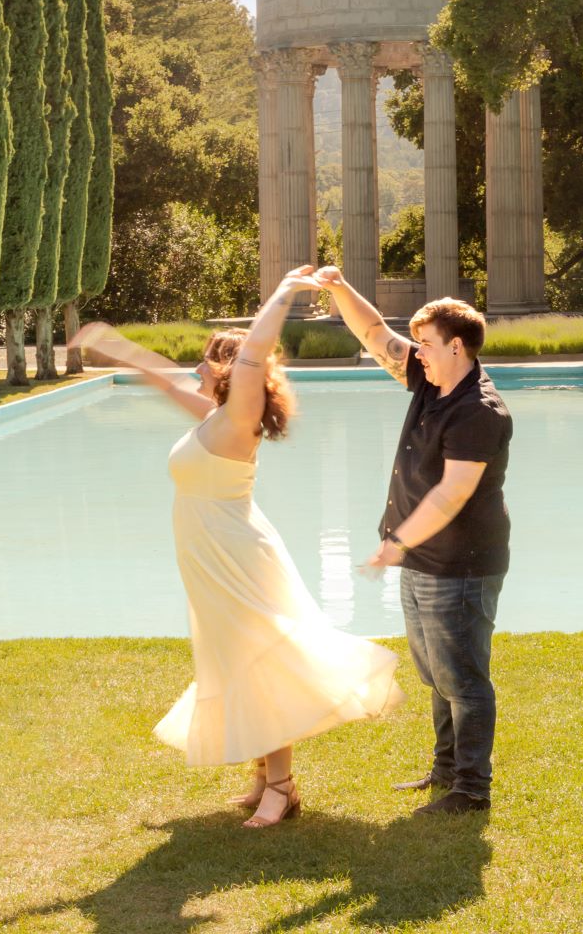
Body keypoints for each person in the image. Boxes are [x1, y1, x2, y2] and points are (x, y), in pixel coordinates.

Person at [70, 266, 403, 829]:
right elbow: (163, 380)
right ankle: (262, 779)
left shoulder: (240, 415)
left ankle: (282, 788)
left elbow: (255, 351)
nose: (196, 367)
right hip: (212, 559)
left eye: (208, 359)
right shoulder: (217, 417)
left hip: (236, 558)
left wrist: (283, 292)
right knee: (236, 660)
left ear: (231, 371)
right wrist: (114, 347)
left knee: (257, 661)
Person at [313, 267, 513, 815]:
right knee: (436, 674)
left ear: (456, 346)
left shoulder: (479, 410)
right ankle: (446, 771)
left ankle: (472, 789)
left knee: (464, 679)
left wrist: (396, 542)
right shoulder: (432, 379)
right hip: (425, 558)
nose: (415, 351)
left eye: (425, 343)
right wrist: (336, 287)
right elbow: (375, 332)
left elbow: (452, 495)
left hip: (463, 565)